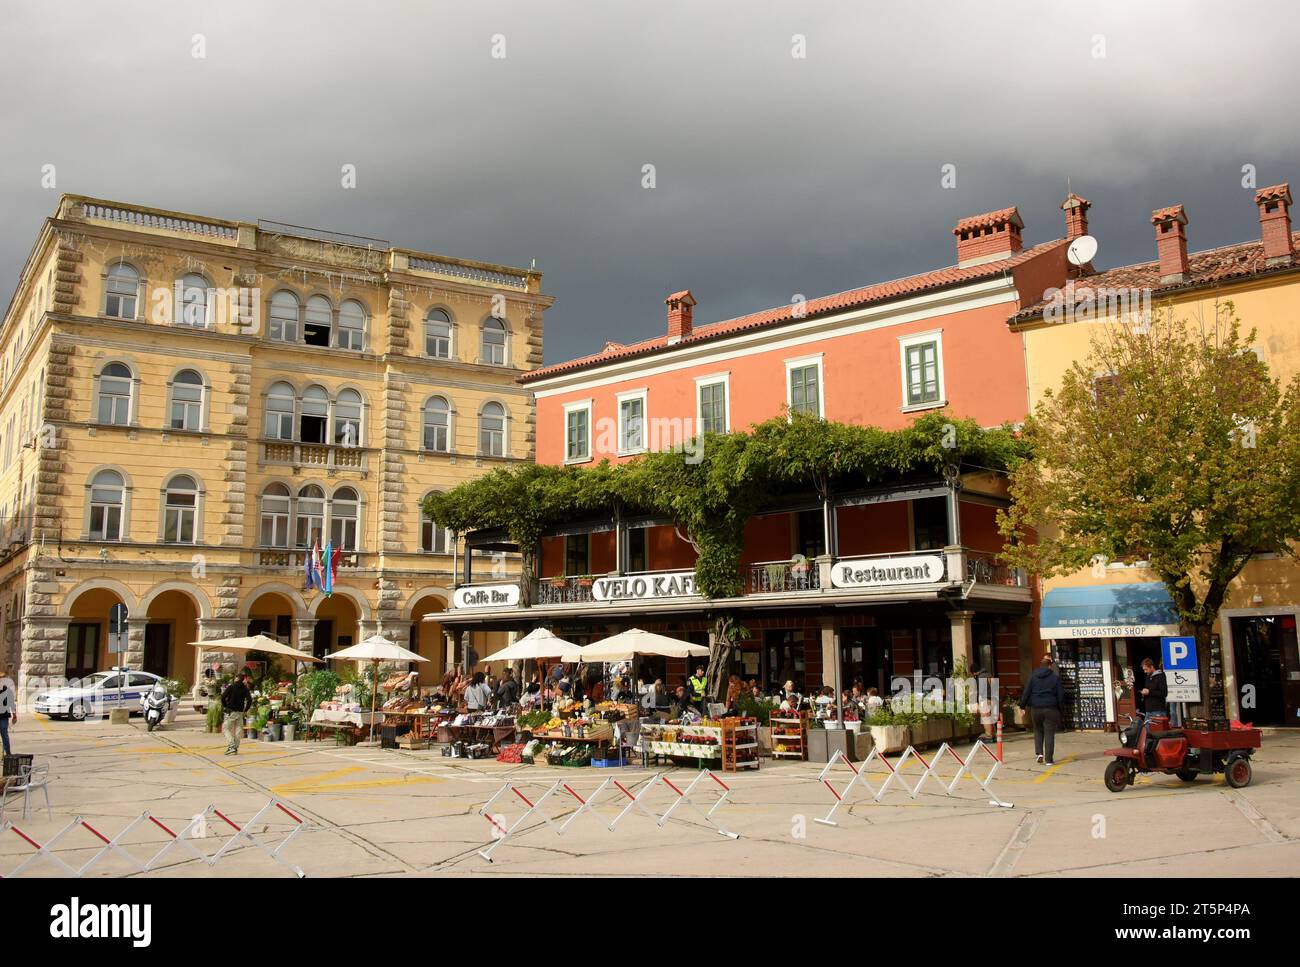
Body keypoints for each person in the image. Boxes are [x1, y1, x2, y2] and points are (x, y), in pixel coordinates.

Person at [1019, 655, 1064, 765]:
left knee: (1038, 730)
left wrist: (1022, 706)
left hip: (1036, 708)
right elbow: (1060, 695)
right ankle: (1049, 760)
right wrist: (1061, 710)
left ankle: (1039, 753)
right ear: (1049, 666)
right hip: (1051, 708)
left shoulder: (1033, 676)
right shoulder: (1055, 678)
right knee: (1049, 733)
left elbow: (1026, 692)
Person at [221, 673, 253, 756]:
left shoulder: (231, 687)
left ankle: (231, 745)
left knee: (225, 728)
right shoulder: (245, 689)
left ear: (237, 678)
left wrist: (225, 705)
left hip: (231, 711)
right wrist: (245, 710)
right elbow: (249, 700)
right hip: (240, 712)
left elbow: (223, 697)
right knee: (238, 730)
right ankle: (235, 748)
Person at [0, 665, 17, 756]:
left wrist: (14, 715)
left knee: (4, 734)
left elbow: (11, 703)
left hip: (3, 716)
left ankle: (8, 753)